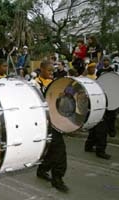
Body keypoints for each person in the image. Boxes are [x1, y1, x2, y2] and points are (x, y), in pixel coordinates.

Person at [35, 60, 69, 193]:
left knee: (52, 148)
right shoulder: (35, 84)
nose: (51, 73)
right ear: (41, 69)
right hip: (43, 121)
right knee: (59, 149)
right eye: (48, 70)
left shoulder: (55, 83)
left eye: (52, 71)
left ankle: (42, 170)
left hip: (55, 121)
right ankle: (57, 179)